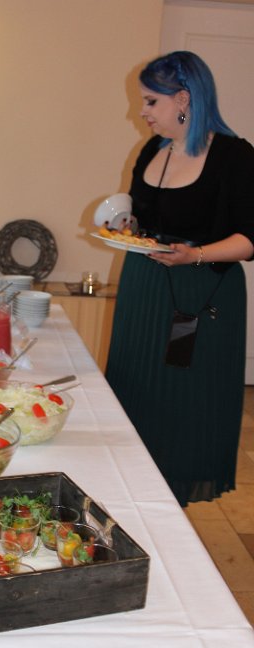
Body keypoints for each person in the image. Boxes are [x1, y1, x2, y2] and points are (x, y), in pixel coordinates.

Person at [105, 51, 254, 507]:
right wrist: (127, 228)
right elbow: (146, 219)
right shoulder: (153, 150)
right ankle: (129, 494)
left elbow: (250, 239)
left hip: (202, 296)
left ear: (184, 99)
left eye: (151, 101)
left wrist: (195, 255)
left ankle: (169, 506)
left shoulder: (234, 156)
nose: (142, 112)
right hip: (144, 291)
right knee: (135, 390)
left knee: (184, 405)